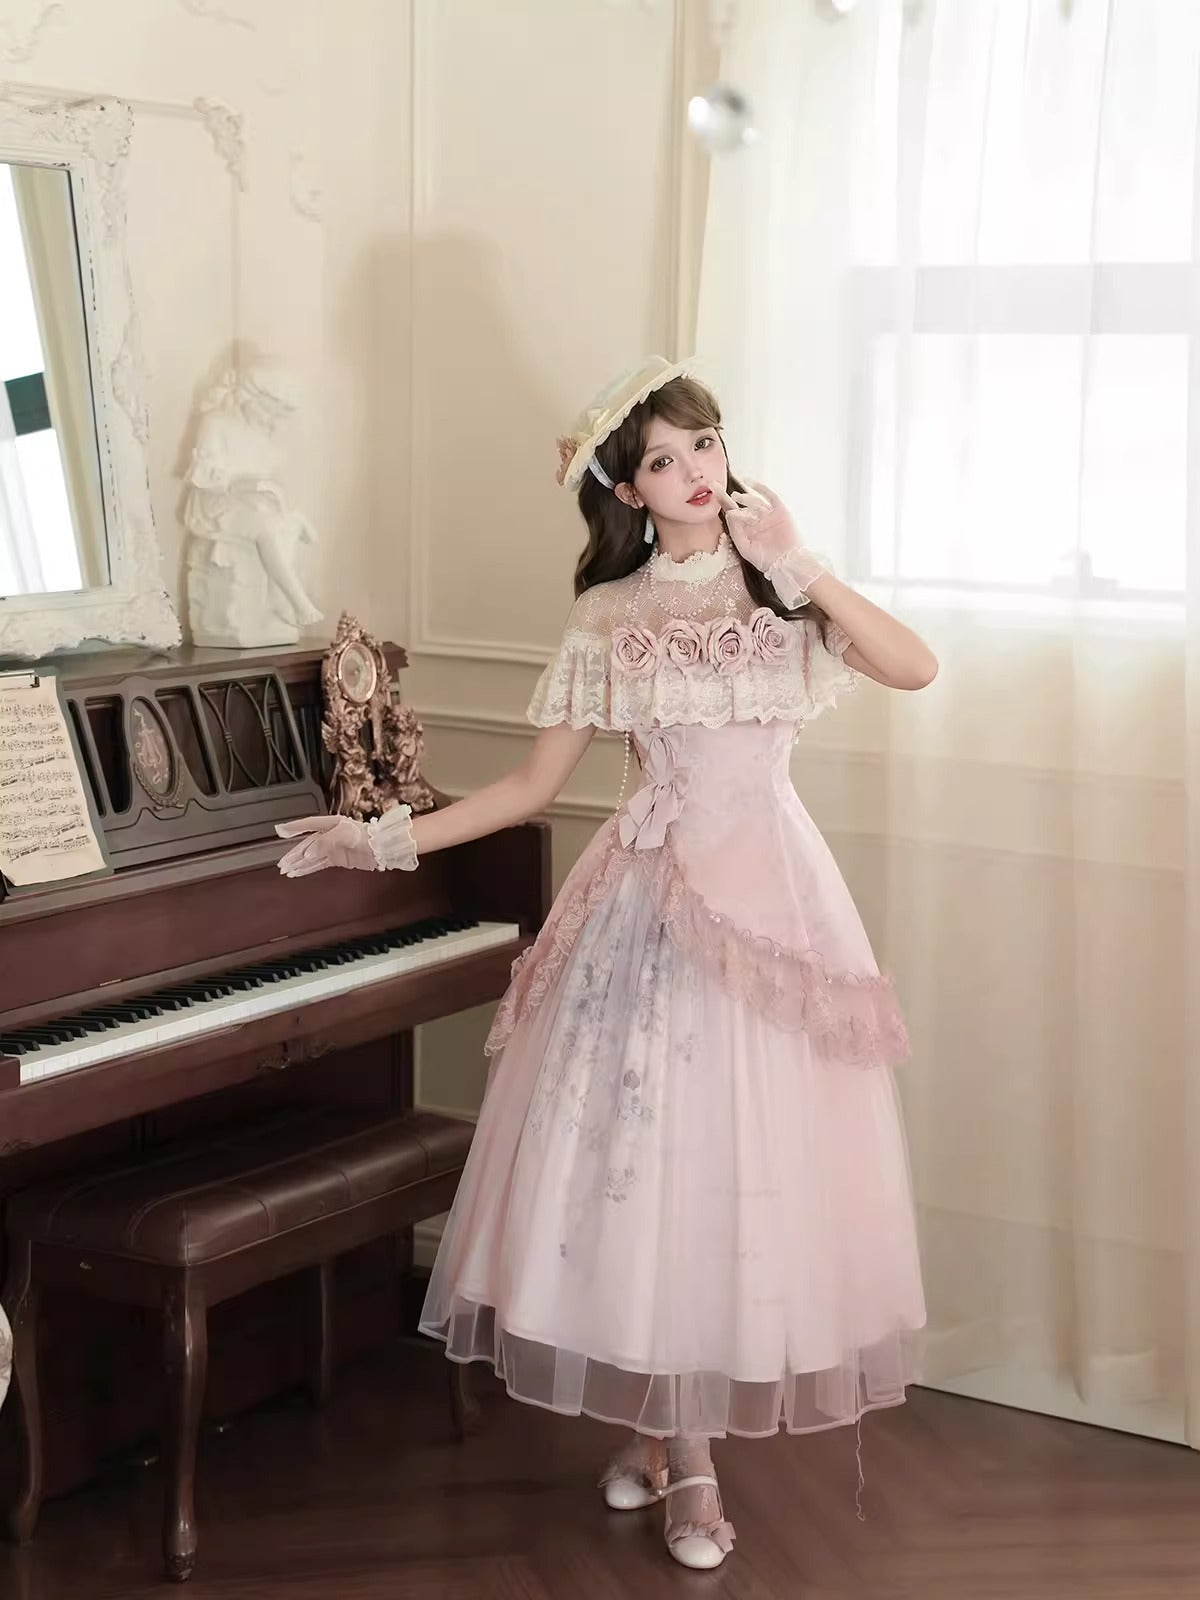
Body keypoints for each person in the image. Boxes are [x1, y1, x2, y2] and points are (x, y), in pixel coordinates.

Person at [276, 356, 936, 1571]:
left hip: (772, 905)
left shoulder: (781, 587)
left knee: (734, 1171)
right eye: (664, 461)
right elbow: (531, 786)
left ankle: (671, 1442)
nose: (696, 473)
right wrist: (379, 838)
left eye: (706, 445)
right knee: (647, 1170)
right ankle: (680, 1448)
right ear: (628, 491)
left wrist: (800, 562)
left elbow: (914, 665)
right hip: (646, 907)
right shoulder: (609, 615)